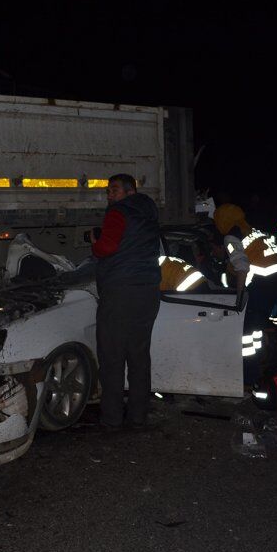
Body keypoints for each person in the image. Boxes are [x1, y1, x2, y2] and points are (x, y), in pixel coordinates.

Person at [90, 173, 161, 429]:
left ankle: (111, 419)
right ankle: (138, 416)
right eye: (108, 191)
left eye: (115, 190)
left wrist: (95, 243)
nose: (110, 195)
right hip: (148, 291)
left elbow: (107, 247)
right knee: (139, 356)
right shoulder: (150, 214)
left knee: (112, 356)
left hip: (120, 292)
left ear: (130, 192)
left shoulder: (118, 212)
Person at [213, 203, 277, 387]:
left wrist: (240, 297)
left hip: (261, 286)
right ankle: (263, 366)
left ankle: (249, 376)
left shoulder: (231, 237)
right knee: (256, 329)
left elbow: (242, 268)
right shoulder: (253, 231)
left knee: (246, 334)